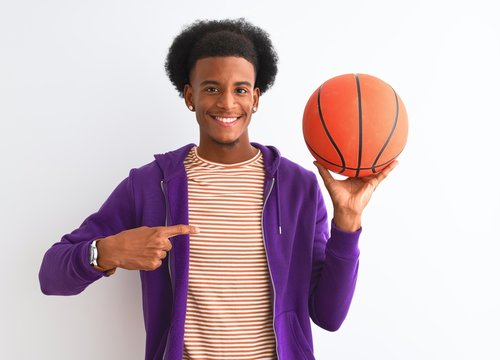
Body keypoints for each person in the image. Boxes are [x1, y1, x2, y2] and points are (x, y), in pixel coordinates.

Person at [39, 18, 398, 360]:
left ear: (255, 99)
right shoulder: (151, 186)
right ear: (189, 96)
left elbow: (328, 316)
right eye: (212, 88)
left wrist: (348, 222)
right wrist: (107, 251)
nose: (227, 103)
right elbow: (51, 274)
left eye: (240, 89)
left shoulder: (298, 188)